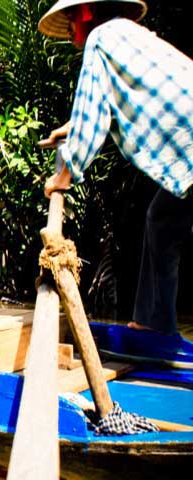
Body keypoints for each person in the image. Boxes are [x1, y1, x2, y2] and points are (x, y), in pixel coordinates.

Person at [38, 0, 193, 335]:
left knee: (162, 222)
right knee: (161, 221)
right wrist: (70, 128)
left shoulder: (102, 38)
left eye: (70, 19)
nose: (68, 28)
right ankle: (156, 326)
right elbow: (104, 106)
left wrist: (62, 177)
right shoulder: (126, 34)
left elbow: (92, 123)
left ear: (86, 12)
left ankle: (158, 328)